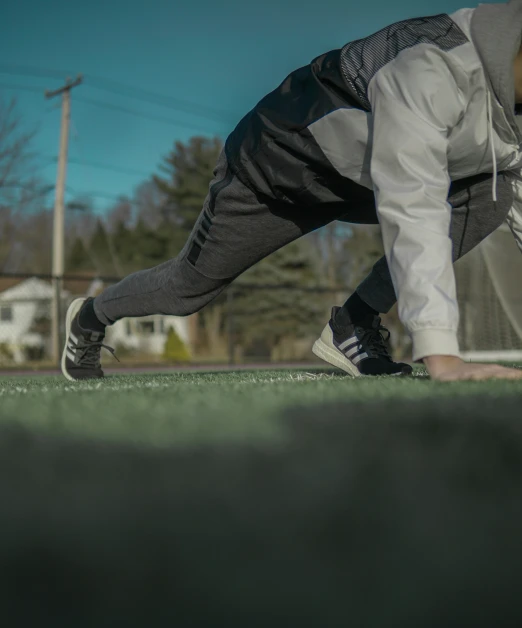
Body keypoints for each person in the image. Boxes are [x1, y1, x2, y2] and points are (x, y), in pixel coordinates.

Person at [62, 1, 522, 383]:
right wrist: (442, 352)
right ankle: (90, 315)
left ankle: (353, 325)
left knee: (492, 195)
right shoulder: (431, 65)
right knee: (188, 290)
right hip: (273, 169)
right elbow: (415, 204)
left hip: (357, 176)